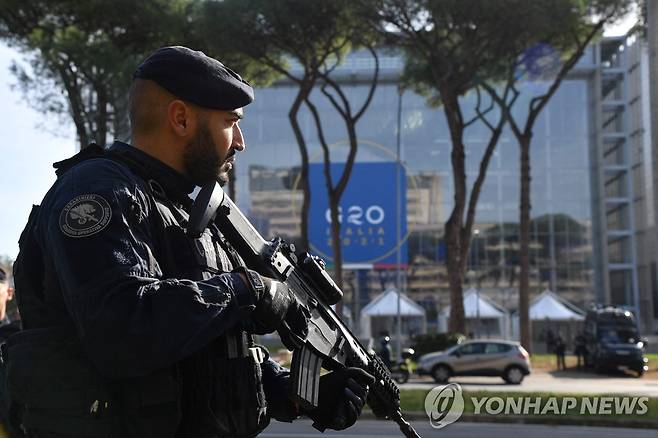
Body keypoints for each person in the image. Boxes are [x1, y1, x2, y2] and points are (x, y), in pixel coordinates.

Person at [8, 46, 373, 438]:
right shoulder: (100, 192)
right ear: (180, 119)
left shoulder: (189, 213)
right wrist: (248, 288)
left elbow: (205, 350)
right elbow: (121, 328)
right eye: (231, 122)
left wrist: (292, 392)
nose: (240, 142)